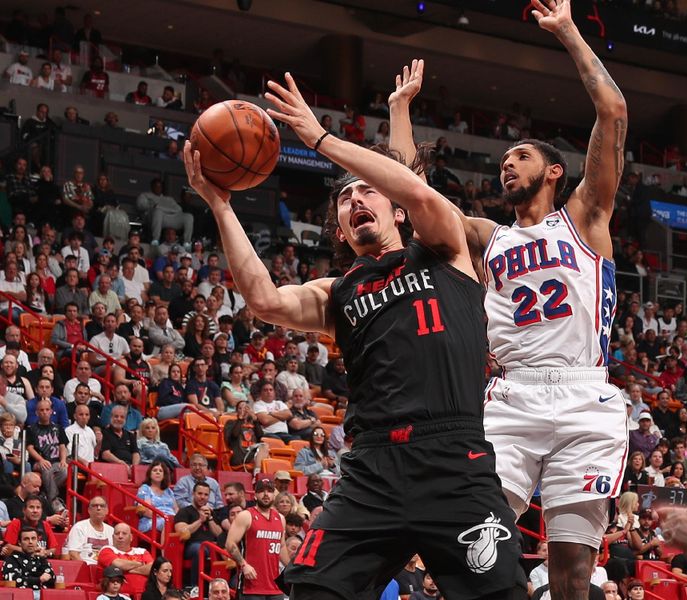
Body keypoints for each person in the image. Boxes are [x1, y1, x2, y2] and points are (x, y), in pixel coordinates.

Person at [185, 59, 526, 600]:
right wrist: (221, 206)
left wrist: (323, 136)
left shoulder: (443, 250)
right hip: (371, 470)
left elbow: (418, 191)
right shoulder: (336, 291)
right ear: (340, 226)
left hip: (452, 459)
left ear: (396, 210)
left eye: (367, 190)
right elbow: (264, 299)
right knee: (313, 590)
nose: (355, 200)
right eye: (344, 199)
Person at [391, 6, 627, 600]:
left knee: (572, 570)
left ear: (553, 170)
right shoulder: (485, 237)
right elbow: (414, 194)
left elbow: (614, 111)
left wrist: (568, 32)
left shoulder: (586, 216)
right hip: (512, 395)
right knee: (477, 539)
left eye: (519, 156)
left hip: (584, 395)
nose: (506, 165)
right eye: (502, 162)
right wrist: (399, 112)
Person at [225, 477, 289, 600]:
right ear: (255, 495)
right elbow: (230, 543)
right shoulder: (246, 515)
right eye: (261, 491)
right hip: (251, 586)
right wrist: (244, 565)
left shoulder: (280, 518)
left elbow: (281, 546)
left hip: (275, 586)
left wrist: (292, 567)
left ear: (274, 495)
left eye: (269, 491)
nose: (266, 494)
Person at [174, 481, 222, 587]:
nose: (202, 497)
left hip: (211, 545)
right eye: (200, 494)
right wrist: (200, 520)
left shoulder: (211, 513)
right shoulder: (185, 511)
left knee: (224, 549)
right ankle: (195, 587)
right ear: (193, 494)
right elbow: (181, 531)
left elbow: (219, 534)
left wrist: (210, 519)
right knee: (200, 548)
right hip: (191, 546)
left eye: (206, 495)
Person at [97, 523, 154, 595]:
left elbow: (152, 569)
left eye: (124, 533)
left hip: (146, 594)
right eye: (117, 533)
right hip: (119, 595)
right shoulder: (106, 550)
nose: (120, 536)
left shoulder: (142, 551)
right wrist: (141, 564)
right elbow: (118, 565)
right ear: (112, 537)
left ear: (131, 537)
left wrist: (128, 570)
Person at [66, 495, 114, 564]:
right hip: (86, 568)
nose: (99, 508)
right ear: (89, 510)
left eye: (102, 506)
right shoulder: (79, 527)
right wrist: (86, 570)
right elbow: (73, 554)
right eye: (95, 505)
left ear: (107, 511)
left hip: (107, 570)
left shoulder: (111, 531)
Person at [136, 462, 178, 535]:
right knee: (168, 522)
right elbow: (147, 511)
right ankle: (164, 546)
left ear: (164, 475)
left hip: (170, 518)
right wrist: (165, 516)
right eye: (155, 470)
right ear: (150, 474)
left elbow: (176, 508)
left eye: (160, 471)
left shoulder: (168, 491)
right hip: (153, 520)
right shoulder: (145, 489)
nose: (158, 472)